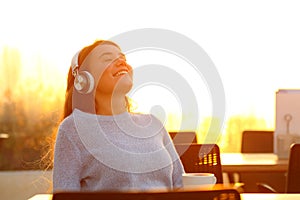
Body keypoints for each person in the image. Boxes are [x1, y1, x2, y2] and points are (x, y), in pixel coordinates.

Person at [53, 40, 185, 192]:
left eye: (123, 58)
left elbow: (181, 183)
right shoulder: (73, 129)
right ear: (84, 78)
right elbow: (65, 195)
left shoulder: (153, 124)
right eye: (108, 59)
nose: (121, 62)